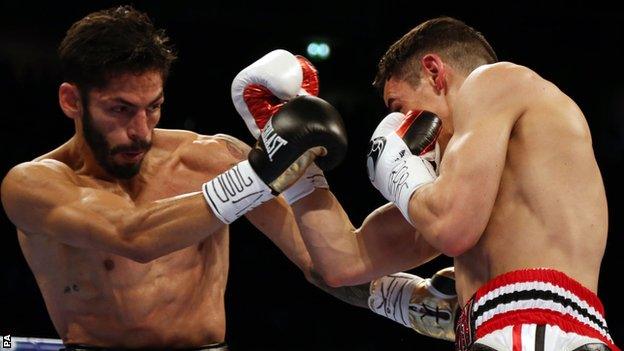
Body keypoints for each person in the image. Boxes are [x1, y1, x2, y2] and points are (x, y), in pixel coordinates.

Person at [0, 6, 350, 350]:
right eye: (120, 109)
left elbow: (323, 263)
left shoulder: (210, 159)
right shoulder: (32, 185)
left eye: (153, 107)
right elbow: (133, 234)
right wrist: (259, 173)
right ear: (71, 101)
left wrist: (402, 299)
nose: (141, 131)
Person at [288, 17, 620, 351]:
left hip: (537, 326)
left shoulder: (494, 80)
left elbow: (450, 228)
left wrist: (401, 171)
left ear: (434, 72)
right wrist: (290, 157)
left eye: (399, 108)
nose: (402, 129)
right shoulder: (464, 188)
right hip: (501, 330)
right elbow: (341, 263)